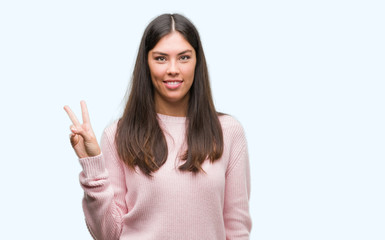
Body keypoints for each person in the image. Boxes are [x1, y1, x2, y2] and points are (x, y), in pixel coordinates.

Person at [63, 13, 251, 240]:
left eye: (184, 57)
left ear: (197, 62)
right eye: (161, 58)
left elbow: (237, 229)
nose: (173, 69)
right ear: (147, 63)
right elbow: (108, 235)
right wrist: (92, 167)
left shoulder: (228, 132)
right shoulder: (117, 136)